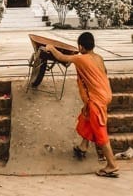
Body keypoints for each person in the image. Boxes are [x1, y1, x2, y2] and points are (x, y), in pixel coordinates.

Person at [45, 32, 119, 178]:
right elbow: (104, 73)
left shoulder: (81, 59)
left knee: (100, 132)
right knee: (87, 119)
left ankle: (112, 165)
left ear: (81, 46)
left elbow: (62, 58)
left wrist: (51, 48)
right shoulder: (99, 58)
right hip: (105, 95)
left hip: (96, 100)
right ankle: (83, 146)